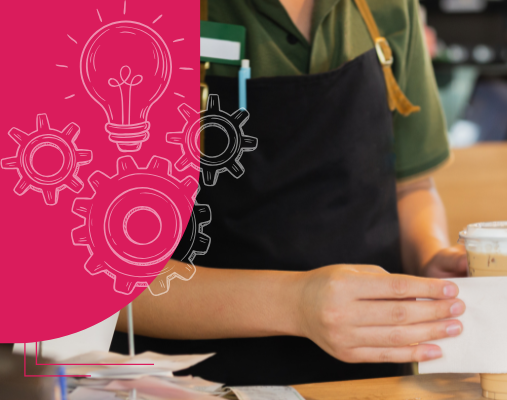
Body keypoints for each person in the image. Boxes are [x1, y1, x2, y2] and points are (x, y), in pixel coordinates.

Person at [111, 0, 468, 386]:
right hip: (193, 386)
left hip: (370, 384)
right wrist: (298, 304)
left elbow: (410, 185)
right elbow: (99, 280)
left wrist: (430, 255)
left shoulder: (389, 7)